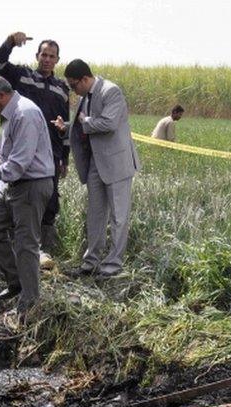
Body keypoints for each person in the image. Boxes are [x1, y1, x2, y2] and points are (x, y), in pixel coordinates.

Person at [0, 76, 54, 314]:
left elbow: (20, 162)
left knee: (25, 244)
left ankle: (29, 305)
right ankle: (17, 281)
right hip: (14, 184)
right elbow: (12, 154)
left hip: (31, 185)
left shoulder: (24, 113)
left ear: (1, 95)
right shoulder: (9, 116)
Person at [54, 59, 140, 278]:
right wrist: (69, 127)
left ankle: (112, 265)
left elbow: (108, 124)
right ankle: (90, 263)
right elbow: (87, 125)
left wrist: (85, 121)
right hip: (95, 164)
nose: (73, 91)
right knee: (95, 215)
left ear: (84, 79)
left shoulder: (111, 91)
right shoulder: (86, 97)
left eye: (74, 85)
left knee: (119, 217)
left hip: (117, 165)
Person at [0, 32, 70, 254]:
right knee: (19, 195)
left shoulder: (62, 88)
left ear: (57, 60)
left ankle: (43, 253)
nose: (47, 59)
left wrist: (65, 157)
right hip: (21, 148)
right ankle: (18, 247)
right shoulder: (22, 76)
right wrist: (9, 43)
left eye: (52, 56)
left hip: (51, 152)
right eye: (44, 54)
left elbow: (66, 124)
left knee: (50, 199)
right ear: (37, 55)